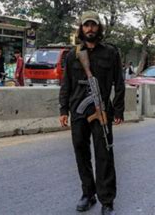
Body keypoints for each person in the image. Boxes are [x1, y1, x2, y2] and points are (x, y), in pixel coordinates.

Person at [59, 11, 125, 215]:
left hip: (101, 111)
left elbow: (119, 83)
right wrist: (63, 110)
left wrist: (118, 109)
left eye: (93, 25)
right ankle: (88, 194)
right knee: (81, 153)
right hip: (78, 110)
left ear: (99, 28)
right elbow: (66, 84)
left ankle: (107, 200)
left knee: (104, 154)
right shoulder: (72, 54)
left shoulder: (110, 53)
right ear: (81, 28)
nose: (90, 29)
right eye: (86, 25)